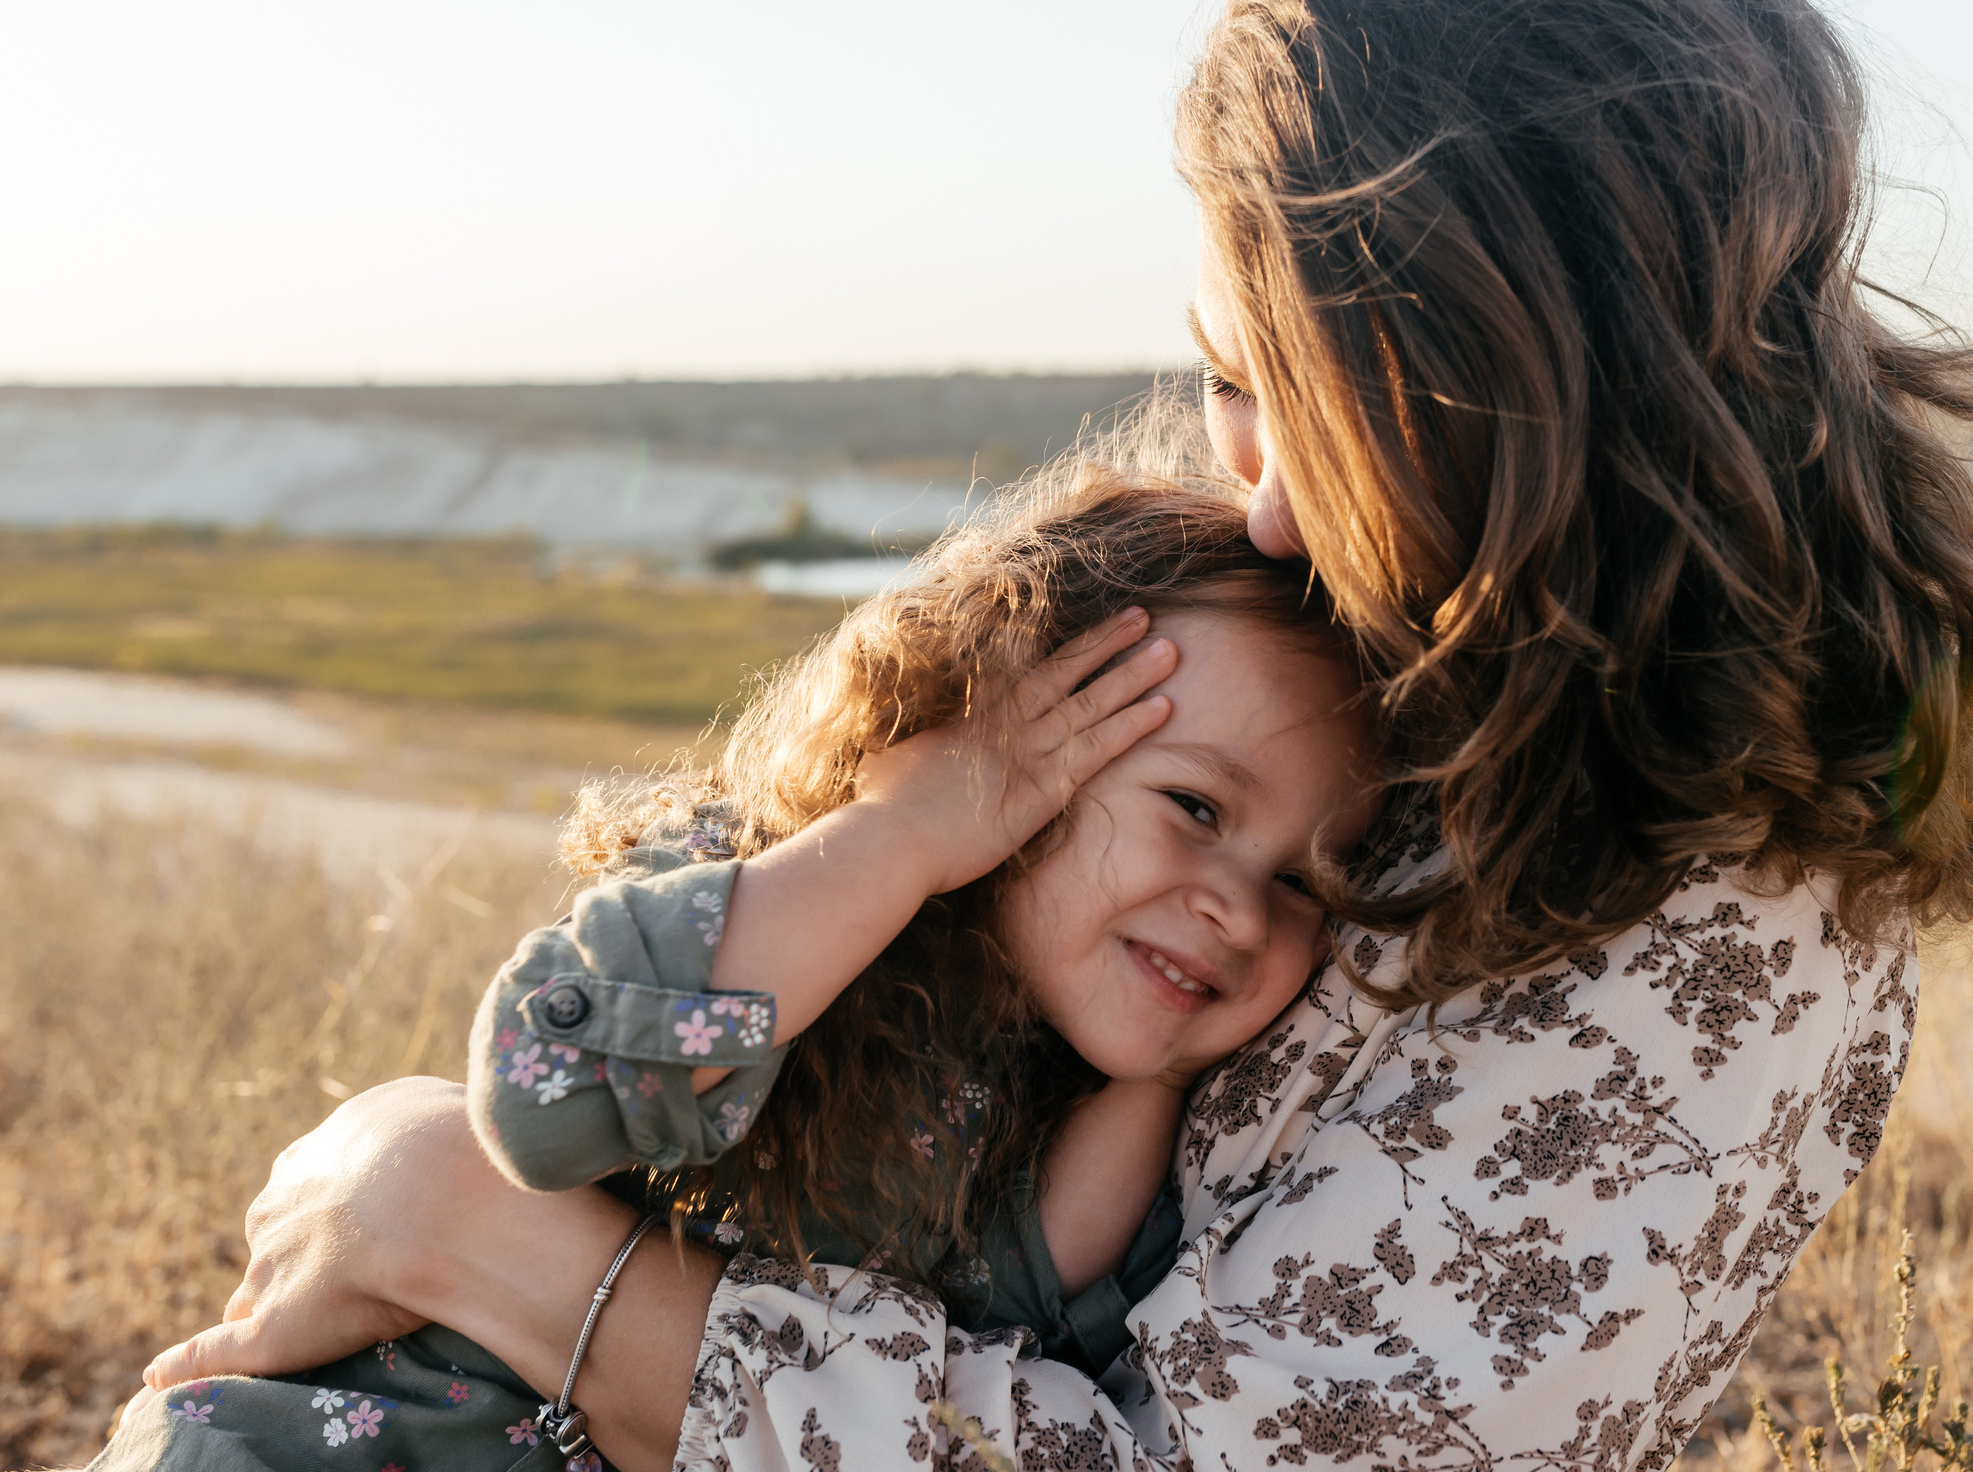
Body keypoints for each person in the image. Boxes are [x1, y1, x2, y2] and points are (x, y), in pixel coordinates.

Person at [134, 0, 1973, 1471]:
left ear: (1540, 380)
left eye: (1344, 402)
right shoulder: (1396, 627)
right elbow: (672, 996)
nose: (1276, 505)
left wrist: (467, 1229)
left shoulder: (1712, 921)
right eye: (1234, 379)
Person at [104, 473, 1379, 1470]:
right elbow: (550, 1098)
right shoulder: (770, 886)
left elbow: (1032, 1294)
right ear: (1000, 735)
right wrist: (900, 834)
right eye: (1198, 810)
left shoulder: (1063, 1077)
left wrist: (1160, 1068)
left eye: (1300, 885)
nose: (1235, 908)